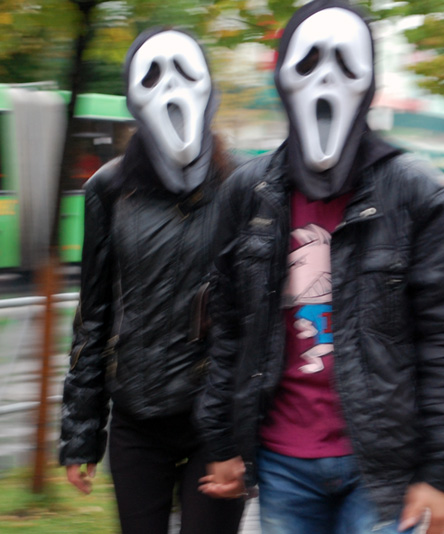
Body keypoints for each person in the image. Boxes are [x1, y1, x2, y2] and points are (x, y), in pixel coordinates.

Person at [194, 2, 444, 533]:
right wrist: (221, 440)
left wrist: (439, 470)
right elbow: (229, 329)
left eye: (345, 64)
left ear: (370, 82)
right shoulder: (248, 193)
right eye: (307, 63)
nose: (325, 79)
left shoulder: (419, 195)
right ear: (282, 78)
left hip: (382, 467)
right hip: (283, 462)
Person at [59, 27, 244, 534]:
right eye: (153, 76)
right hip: (137, 420)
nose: (171, 89)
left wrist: (242, 430)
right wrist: (80, 434)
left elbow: (257, 314)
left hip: (214, 422)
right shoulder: (109, 189)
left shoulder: (242, 186)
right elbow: (93, 315)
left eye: (186, 73)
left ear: (209, 89)